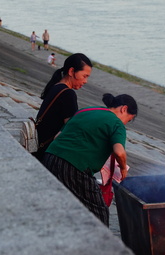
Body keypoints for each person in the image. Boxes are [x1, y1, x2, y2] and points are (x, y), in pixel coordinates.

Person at [43, 93, 138, 226]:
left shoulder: (86, 110)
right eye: (128, 119)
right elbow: (119, 152)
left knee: (63, 203)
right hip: (74, 167)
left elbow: (57, 137)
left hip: (50, 157)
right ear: (124, 109)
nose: (125, 123)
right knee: (99, 213)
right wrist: (123, 168)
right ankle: (97, 244)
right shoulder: (117, 123)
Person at [32, 53, 92, 162]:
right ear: (71, 71)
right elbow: (71, 129)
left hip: (39, 147)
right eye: (84, 76)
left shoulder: (56, 86)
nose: (85, 81)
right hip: (48, 154)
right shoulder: (68, 94)